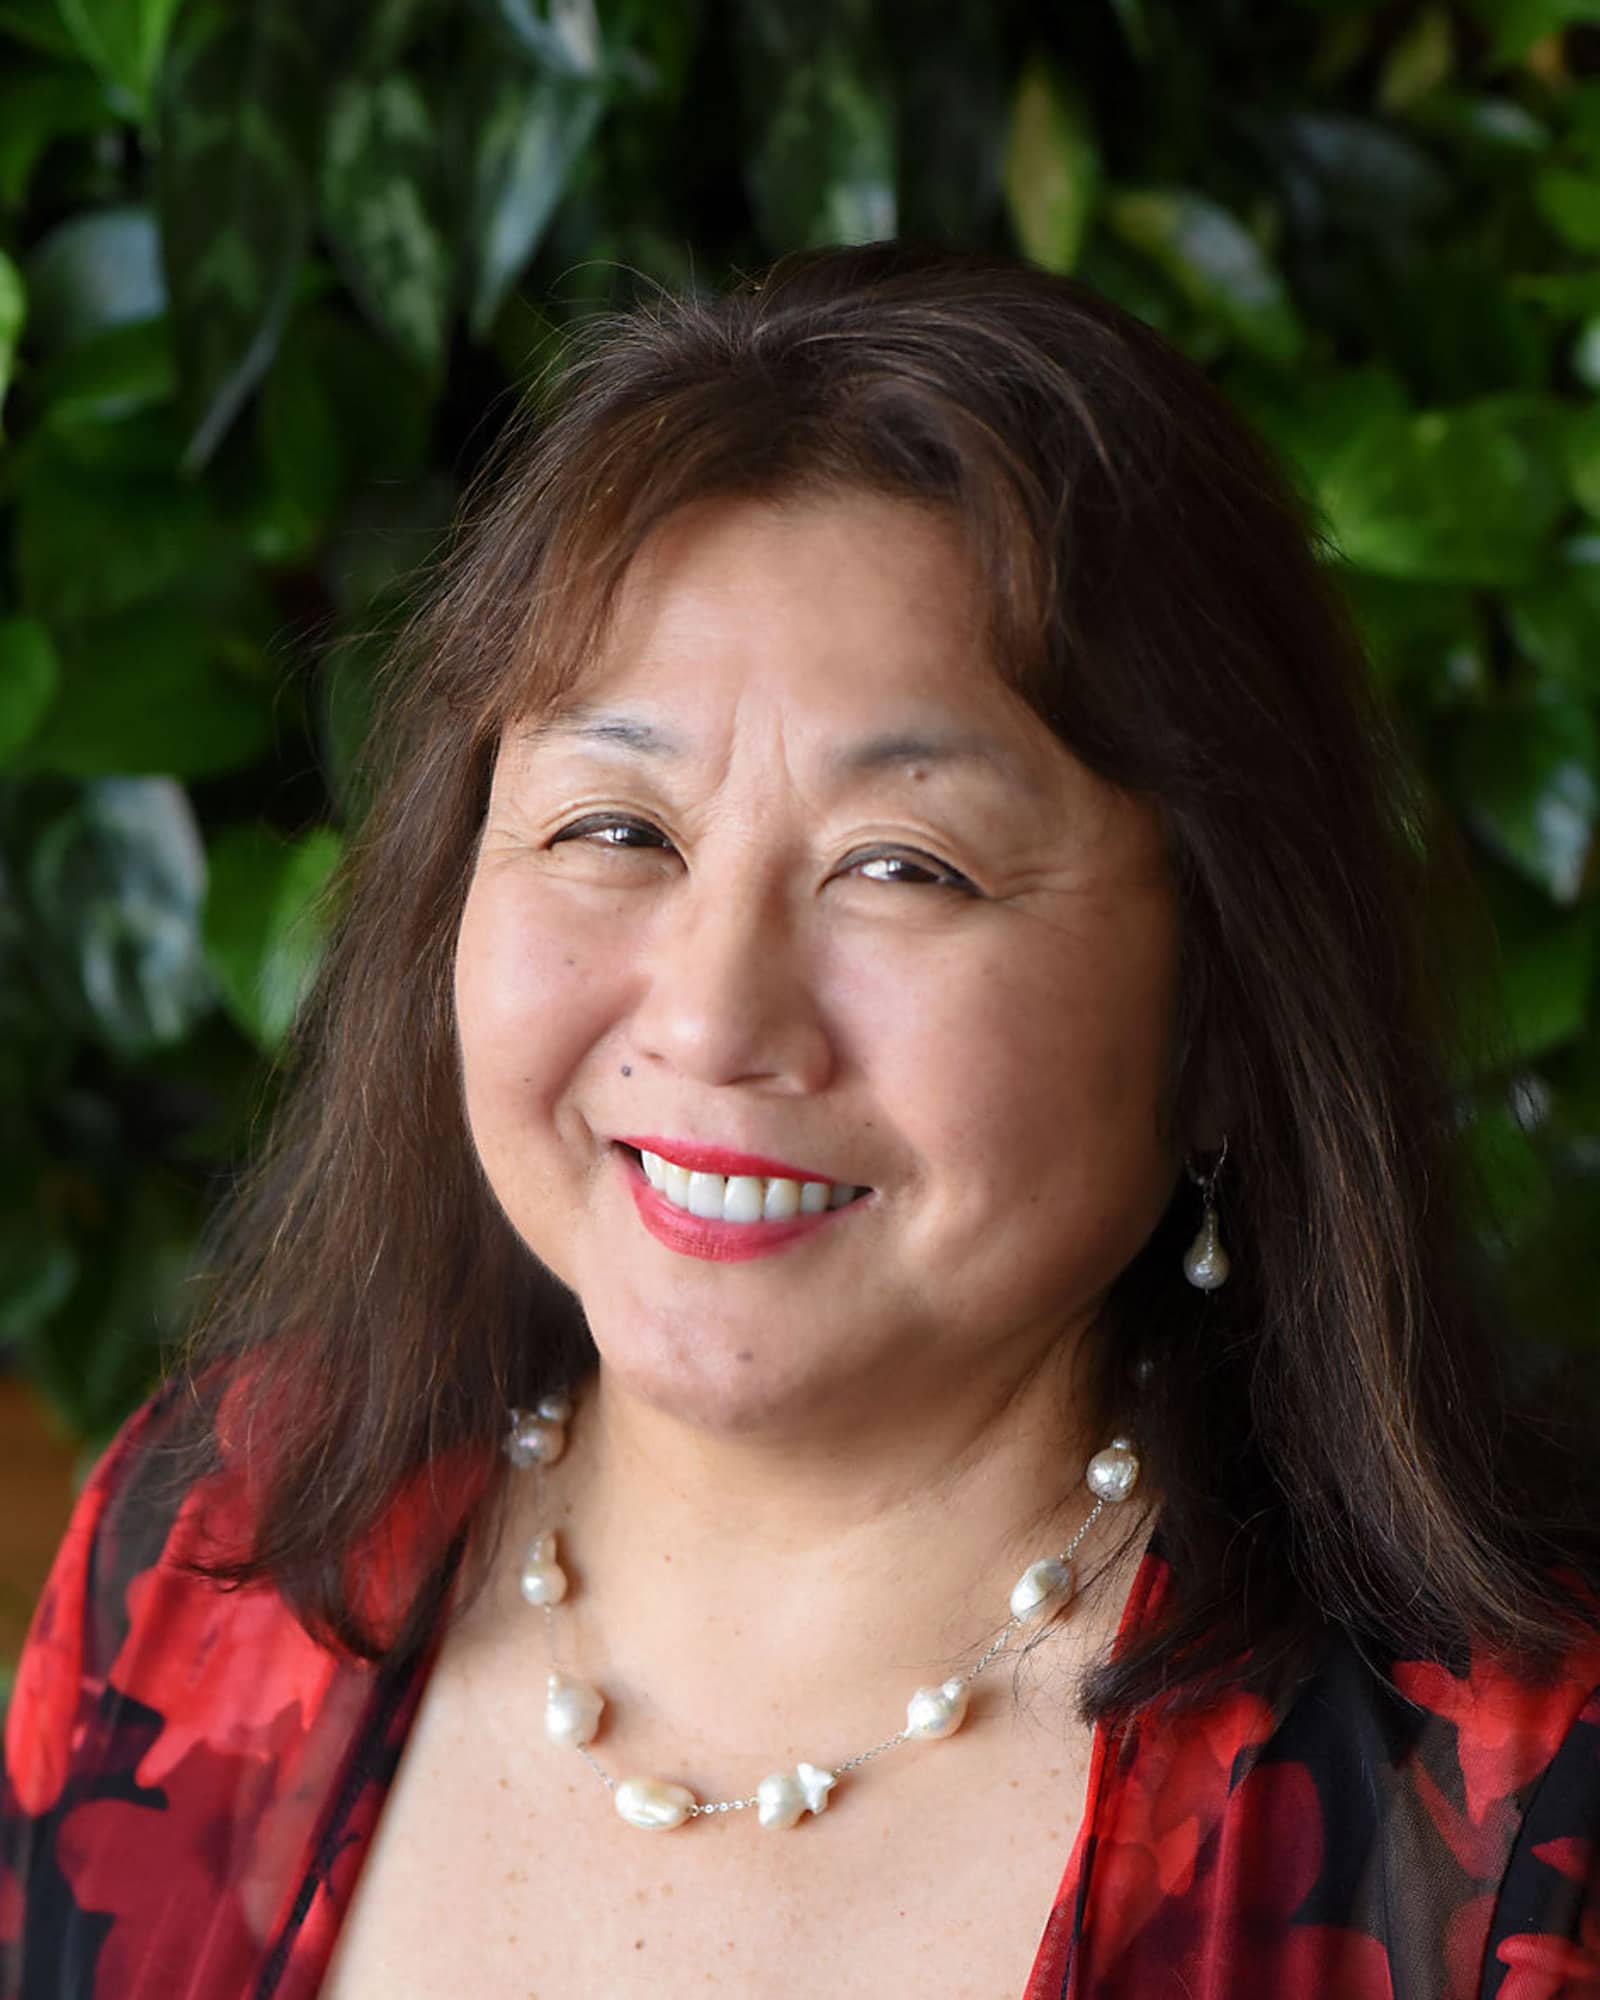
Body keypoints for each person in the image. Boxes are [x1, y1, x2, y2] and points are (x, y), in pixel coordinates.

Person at [3, 242, 1598, 2000]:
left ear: (1223, 1010)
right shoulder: (201, 1544)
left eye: (903, 867)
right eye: (616, 828)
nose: (709, 1015)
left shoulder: (1518, 1827)